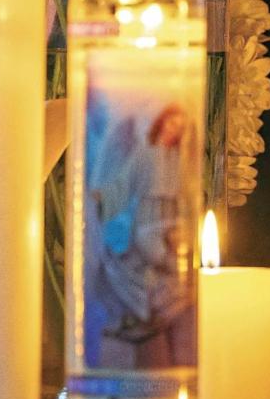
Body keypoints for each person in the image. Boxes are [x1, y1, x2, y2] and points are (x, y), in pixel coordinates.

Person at [84, 102, 197, 368]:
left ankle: (148, 319)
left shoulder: (177, 159)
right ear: (162, 123)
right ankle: (137, 314)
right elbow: (124, 184)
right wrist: (102, 197)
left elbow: (186, 197)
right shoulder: (145, 155)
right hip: (148, 220)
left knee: (168, 271)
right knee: (149, 259)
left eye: (180, 127)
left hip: (171, 221)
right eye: (171, 123)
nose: (174, 130)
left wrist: (184, 226)